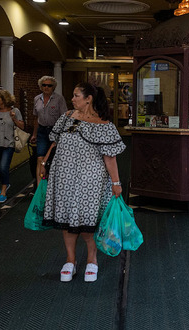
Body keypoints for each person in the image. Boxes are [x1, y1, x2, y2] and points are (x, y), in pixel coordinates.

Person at [40, 82, 125, 283]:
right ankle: (70, 260)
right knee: (67, 221)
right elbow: (55, 142)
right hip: (64, 178)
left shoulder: (104, 125)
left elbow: (110, 157)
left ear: (89, 99)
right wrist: (44, 163)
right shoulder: (67, 117)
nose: (72, 99)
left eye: (76, 95)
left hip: (91, 181)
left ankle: (91, 260)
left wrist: (116, 182)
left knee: (88, 223)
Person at [0, 89, 24, 203]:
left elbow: (22, 126)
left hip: (8, 144)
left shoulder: (14, 111)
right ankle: (5, 183)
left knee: (3, 167)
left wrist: (13, 118)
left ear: (4, 99)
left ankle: (3, 192)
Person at [30, 76, 67, 188]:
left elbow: (64, 117)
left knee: (54, 158)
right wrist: (34, 134)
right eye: (44, 85)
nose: (46, 87)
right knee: (40, 158)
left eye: (49, 85)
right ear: (41, 86)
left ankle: (54, 185)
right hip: (42, 130)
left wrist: (62, 134)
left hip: (55, 130)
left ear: (53, 87)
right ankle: (39, 188)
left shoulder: (59, 99)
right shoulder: (37, 99)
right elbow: (36, 118)